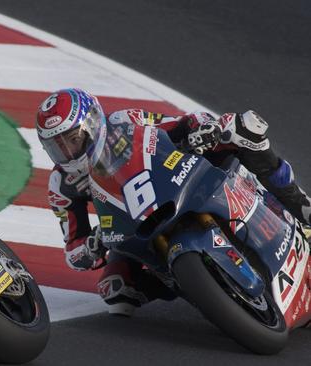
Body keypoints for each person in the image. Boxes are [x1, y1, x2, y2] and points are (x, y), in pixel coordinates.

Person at [36, 88, 311, 316]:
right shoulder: (62, 185)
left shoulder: (125, 121)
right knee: (116, 289)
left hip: (174, 178)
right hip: (132, 223)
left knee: (239, 130)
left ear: (92, 123)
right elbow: (73, 251)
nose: (67, 152)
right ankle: (200, 288)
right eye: (56, 146)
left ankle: (298, 204)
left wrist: (201, 130)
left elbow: (181, 123)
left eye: (72, 140)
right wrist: (93, 244)